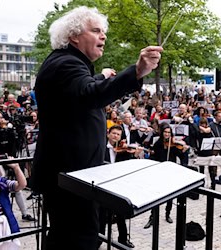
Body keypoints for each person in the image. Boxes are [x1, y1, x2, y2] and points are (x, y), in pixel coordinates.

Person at [32, 6, 162, 250]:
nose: (103, 36)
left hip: (72, 177)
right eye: (95, 30)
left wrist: (101, 76)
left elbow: (81, 91)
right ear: (73, 36)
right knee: (80, 241)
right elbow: (89, 94)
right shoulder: (66, 64)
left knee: (68, 238)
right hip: (72, 179)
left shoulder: (66, 62)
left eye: (104, 31)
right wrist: (136, 71)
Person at [99, 125, 142, 248]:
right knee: (102, 214)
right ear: (108, 134)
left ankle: (123, 239)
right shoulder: (102, 147)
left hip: (117, 185)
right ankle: (99, 237)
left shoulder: (122, 150)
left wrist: (135, 155)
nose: (115, 136)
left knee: (121, 213)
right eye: (114, 133)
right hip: (103, 184)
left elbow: (128, 165)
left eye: (118, 134)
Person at [144, 123, 189, 228]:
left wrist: (184, 151)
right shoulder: (158, 143)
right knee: (156, 196)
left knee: (170, 196)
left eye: (169, 132)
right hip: (159, 172)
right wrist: (151, 155)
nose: (167, 134)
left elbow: (181, 157)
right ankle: (152, 217)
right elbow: (154, 158)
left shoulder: (173, 144)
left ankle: (167, 214)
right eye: (165, 132)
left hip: (170, 172)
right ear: (162, 133)